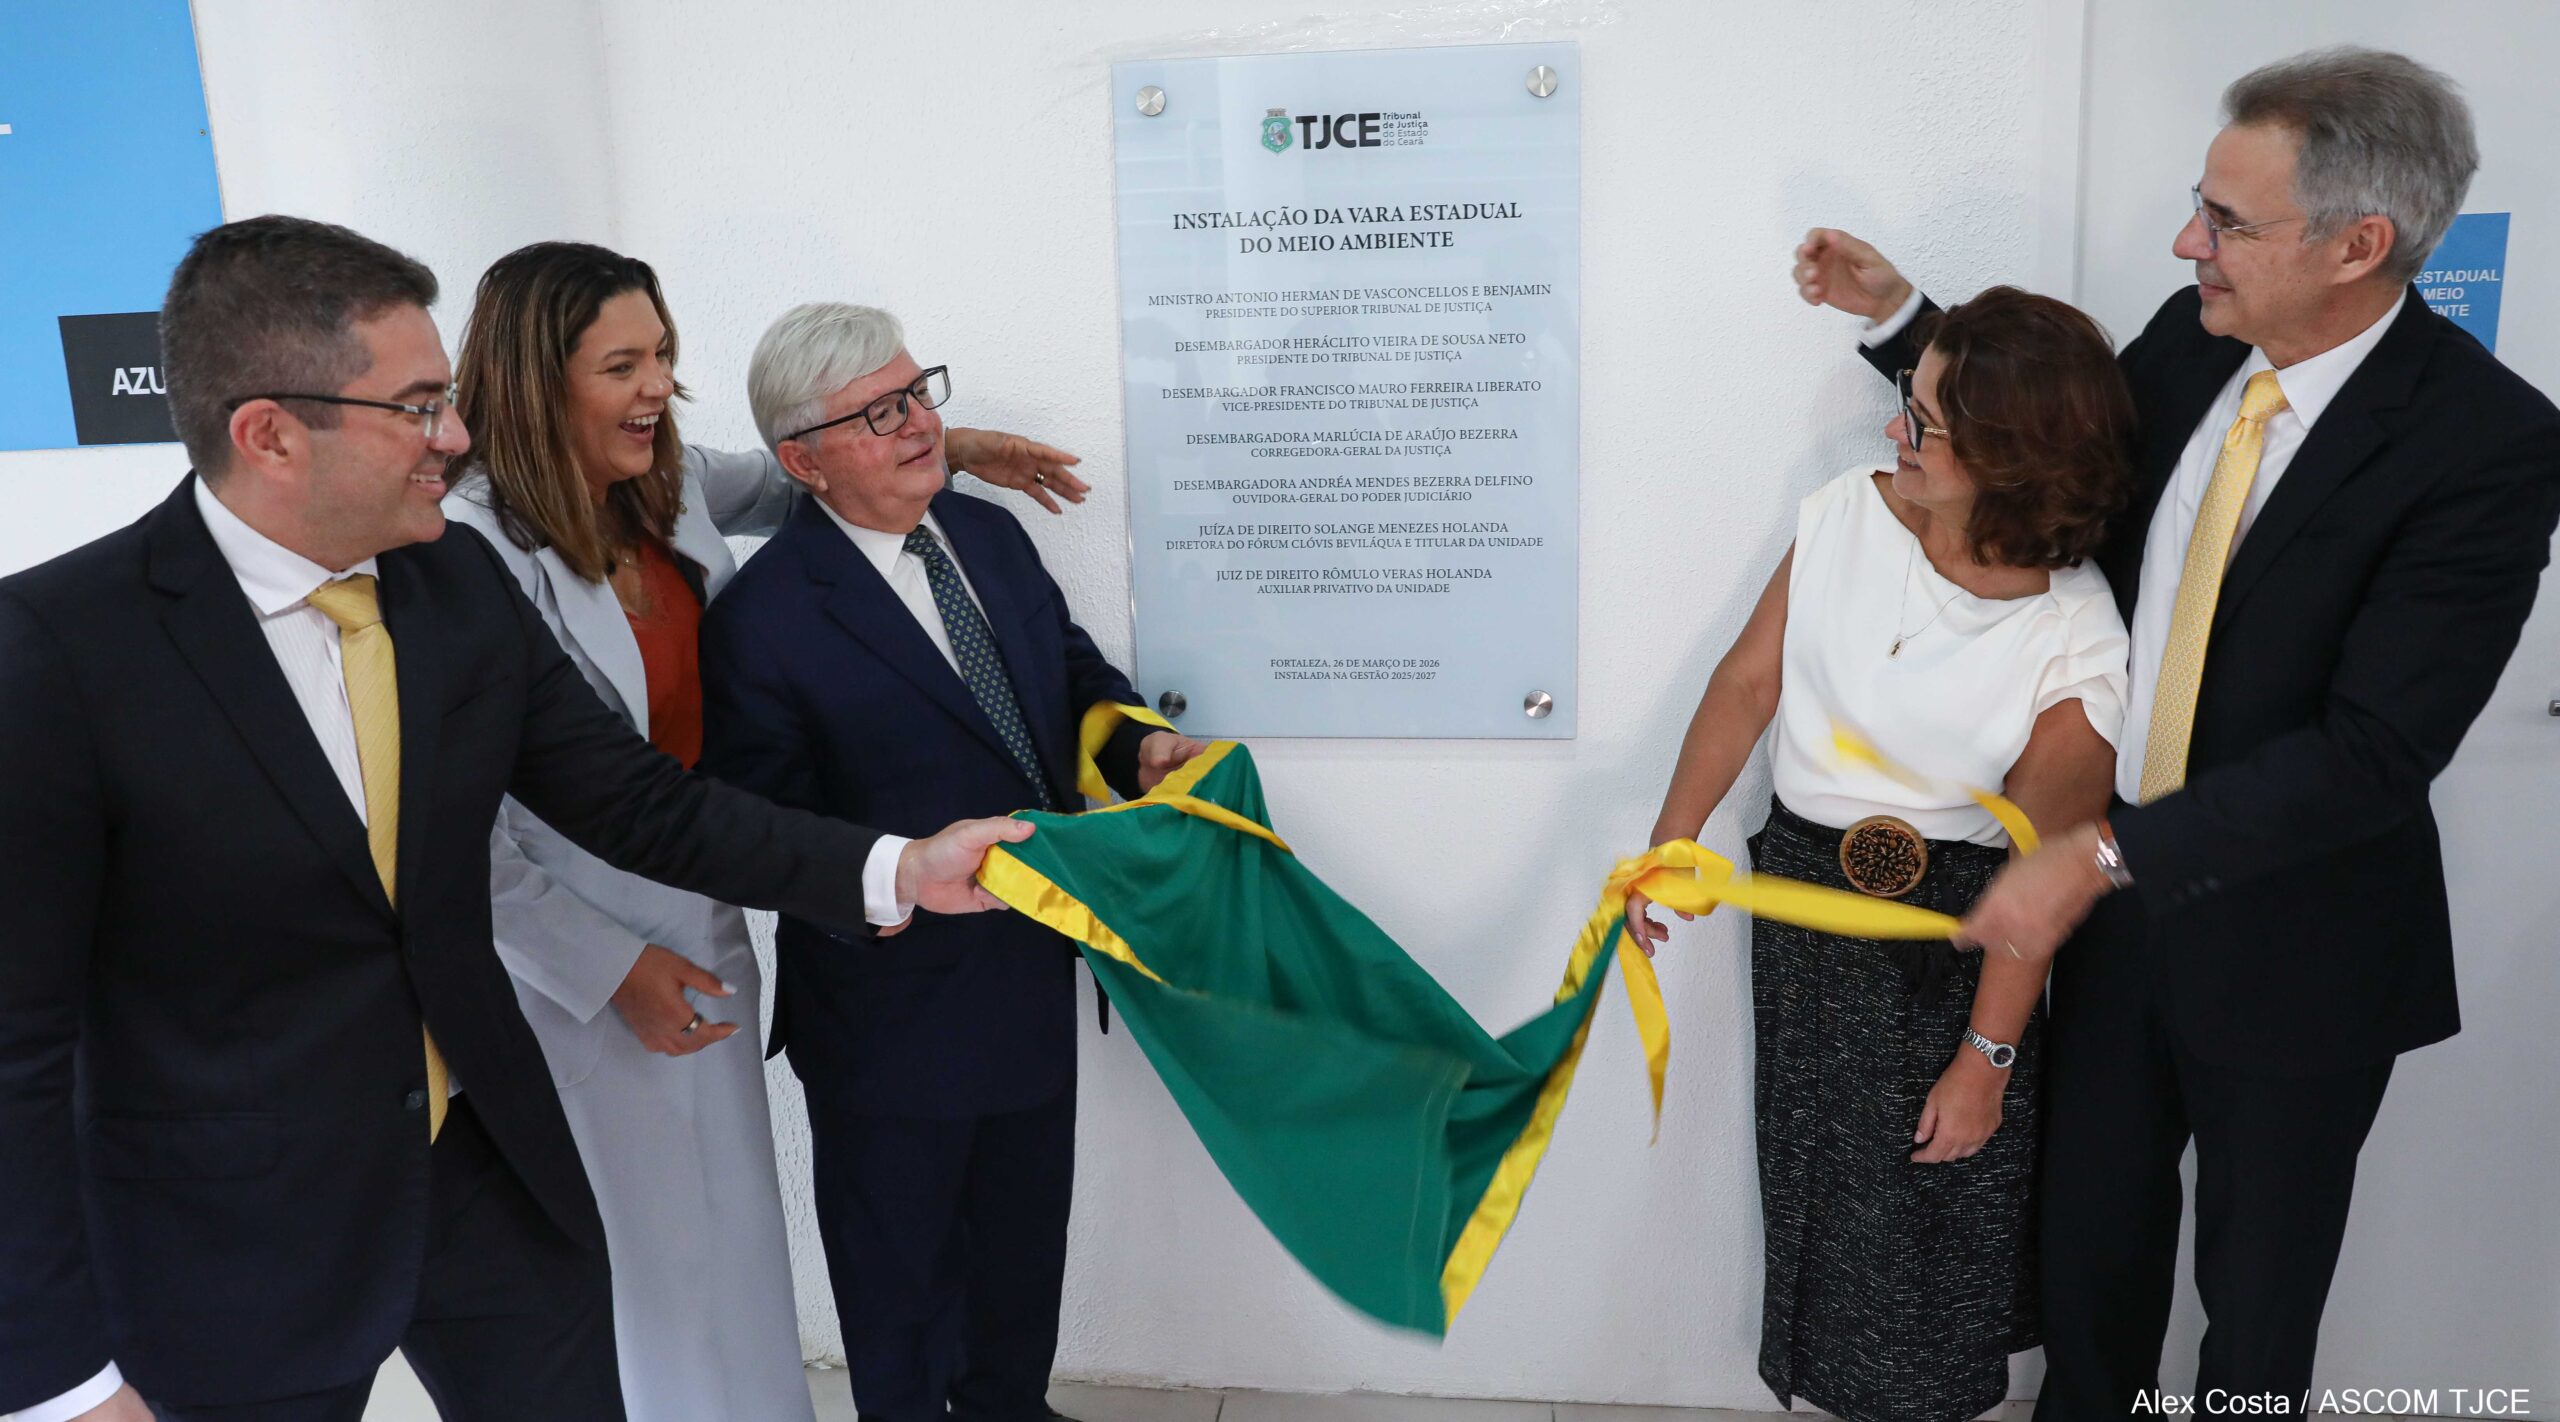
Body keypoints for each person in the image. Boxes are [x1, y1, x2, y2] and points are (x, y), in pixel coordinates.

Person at [0, 216, 1029, 1422]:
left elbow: (634, 802)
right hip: (236, 1232)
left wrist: (897, 869)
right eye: (419, 406)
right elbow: (16, 1049)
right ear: (270, 433)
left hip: (487, 1175)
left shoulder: (451, 586)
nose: (457, 434)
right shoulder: (55, 654)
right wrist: (59, 1380)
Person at [1795, 47, 2560, 1414]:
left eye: (2227, 222)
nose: (2184, 241)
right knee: (2088, 1271)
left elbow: (2374, 751)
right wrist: (1909, 319)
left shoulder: (2486, 444)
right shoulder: (2185, 336)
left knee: (2256, 1316)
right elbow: (2053, 436)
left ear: (2358, 245)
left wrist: (2091, 858)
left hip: (2300, 941)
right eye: (2198, 205)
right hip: (2116, 931)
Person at [439, 240, 1090, 1422]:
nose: (657, 387)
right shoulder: (468, 550)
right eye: (623, 364)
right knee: (646, 1267)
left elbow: (803, 474)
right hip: (577, 950)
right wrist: (604, 966)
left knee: (735, 1249)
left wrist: (956, 448)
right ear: (540, 381)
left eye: (665, 355)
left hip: (708, 893)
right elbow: (452, 832)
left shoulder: (664, 479)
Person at [1631, 286, 2132, 1422]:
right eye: (1908, 400)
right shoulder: (1844, 514)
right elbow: (1746, 682)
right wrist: (1670, 840)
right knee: (1820, 1206)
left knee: (1922, 1231)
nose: (1894, 431)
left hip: (1950, 953)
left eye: (1927, 422)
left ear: (2014, 459)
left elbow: (2033, 891)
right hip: (1807, 911)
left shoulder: (2075, 638)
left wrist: (1985, 1065)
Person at [696, 303, 1204, 1422]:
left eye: (917, 391)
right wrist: (894, 880)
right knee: (903, 1291)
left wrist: (1140, 747)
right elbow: (758, 827)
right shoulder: (764, 618)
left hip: (1032, 971)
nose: (919, 423)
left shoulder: (985, 536)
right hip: (889, 1011)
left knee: (1024, 1253)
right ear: (802, 463)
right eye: (877, 413)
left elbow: (1068, 677)